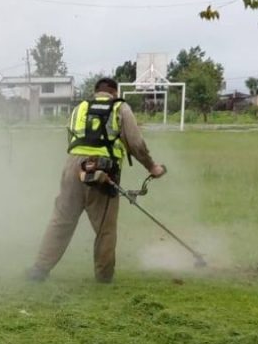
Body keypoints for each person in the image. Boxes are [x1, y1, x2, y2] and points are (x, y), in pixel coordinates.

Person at [26, 77, 166, 284]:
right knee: (105, 229)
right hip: (104, 171)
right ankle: (104, 277)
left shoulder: (79, 108)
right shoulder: (120, 108)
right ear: (115, 92)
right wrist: (152, 167)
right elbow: (136, 143)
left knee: (61, 221)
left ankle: (39, 269)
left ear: (95, 92)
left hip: (73, 167)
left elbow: (72, 139)